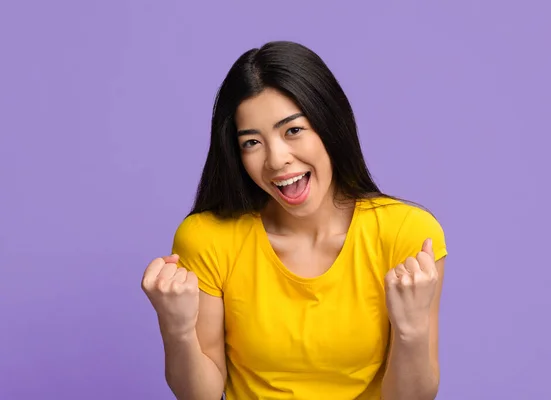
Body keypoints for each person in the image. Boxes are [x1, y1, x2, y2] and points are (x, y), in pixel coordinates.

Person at [141, 40, 448, 400]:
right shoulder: (207, 237)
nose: (276, 160)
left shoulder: (407, 234)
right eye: (252, 143)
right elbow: (201, 395)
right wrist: (177, 330)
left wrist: (411, 330)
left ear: (330, 125)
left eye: (293, 131)